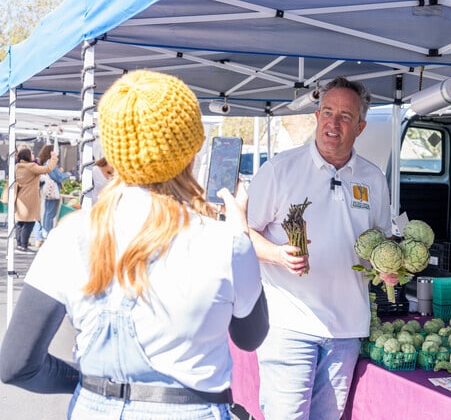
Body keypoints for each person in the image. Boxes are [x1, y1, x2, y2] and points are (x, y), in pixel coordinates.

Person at [0, 69, 269, 420]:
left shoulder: (69, 235)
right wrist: (242, 229)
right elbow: (251, 337)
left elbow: (16, 364)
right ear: (190, 151)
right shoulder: (226, 243)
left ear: (113, 151)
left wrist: (93, 384)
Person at [247, 76, 395, 420]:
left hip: (345, 330)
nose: (334, 122)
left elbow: (380, 243)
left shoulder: (373, 179)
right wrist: (277, 255)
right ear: (316, 117)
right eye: (327, 112)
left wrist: (387, 268)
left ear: (360, 127)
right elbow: (242, 235)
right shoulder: (280, 170)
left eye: (345, 116)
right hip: (289, 324)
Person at [14, 146, 58, 253]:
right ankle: (23, 245)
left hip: (20, 197)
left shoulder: (18, 166)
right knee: (29, 222)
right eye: (31, 153)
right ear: (27, 156)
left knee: (20, 222)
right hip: (30, 199)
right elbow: (47, 169)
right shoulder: (31, 166)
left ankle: (19, 244)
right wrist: (53, 158)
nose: (33, 155)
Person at [36, 144, 70, 246]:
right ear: (51, 152)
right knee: (50, 213)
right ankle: (47, 234)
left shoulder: (46, 162)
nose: (57, 153)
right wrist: (66, 175)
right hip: (52, 191)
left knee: (47, 212)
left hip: (48, 190)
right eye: (55, 151)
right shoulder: (50, 163)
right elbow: (57, 177)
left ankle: (45, 233)